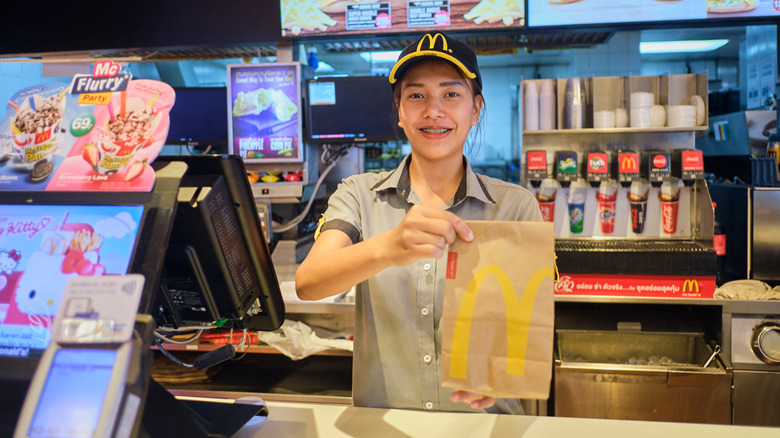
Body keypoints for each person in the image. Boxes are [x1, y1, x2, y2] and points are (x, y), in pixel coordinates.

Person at [295, 32, 542, 414]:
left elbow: (528, 327)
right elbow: (310, 282)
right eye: (416, 95)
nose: (433, 110)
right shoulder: (359, 194)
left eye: (451, 94)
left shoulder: (515, 206)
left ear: (475, 109)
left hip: (483, 426)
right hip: (385, 425)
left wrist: (506, 370)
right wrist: (387, 248)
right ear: (399, 110)